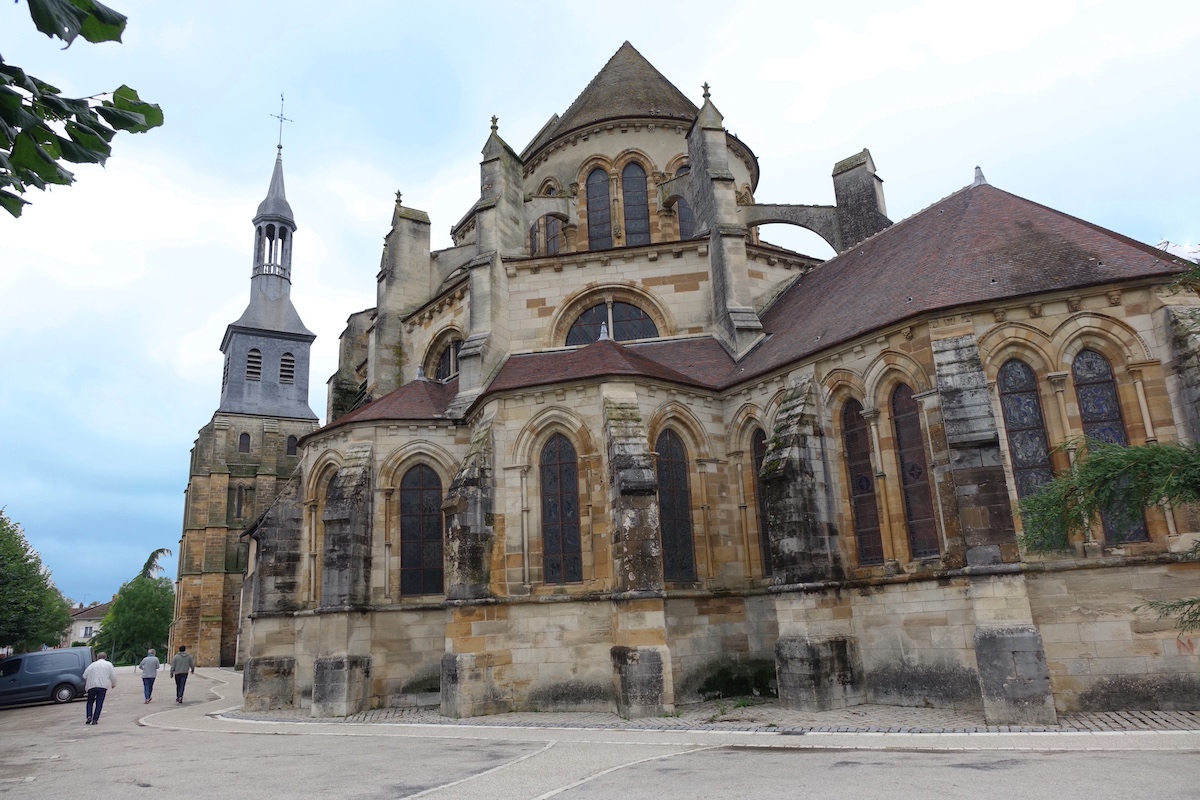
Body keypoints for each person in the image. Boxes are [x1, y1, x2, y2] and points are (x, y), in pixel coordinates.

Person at [82, 651, 117, 725]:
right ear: (105, 657)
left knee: (90, 702)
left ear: (97, 657)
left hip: (91, 686)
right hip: (102, 686)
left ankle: (89, 716)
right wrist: (113, 684)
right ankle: (95, 719)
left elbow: (84, 675)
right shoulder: (109, 664)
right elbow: (113, 675)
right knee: (99, 703)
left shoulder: (92, 665)